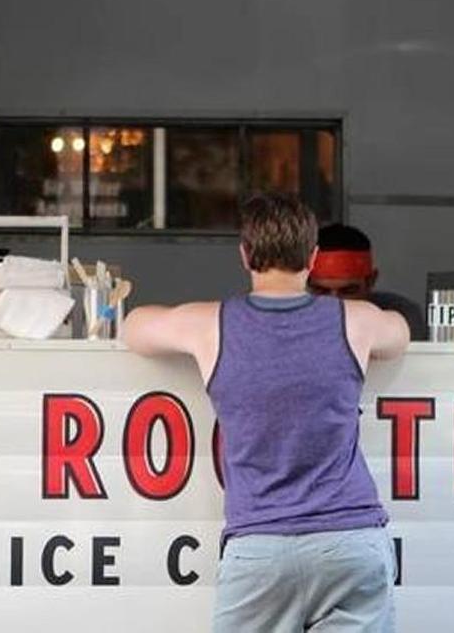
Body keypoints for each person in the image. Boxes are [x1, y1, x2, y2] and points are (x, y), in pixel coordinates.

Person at [123, 193, 408, 632]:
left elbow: (135, 327)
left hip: (259, 548)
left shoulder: (210, 324)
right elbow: (401, 334)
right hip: (350, 539)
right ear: (312, 258)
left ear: (245, 254)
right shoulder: (357, 320)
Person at [309, 222, 428, 341]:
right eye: (321, 291)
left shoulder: (402, 313)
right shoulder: (294, 317)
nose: (335, 303)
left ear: (371, 281)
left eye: (347, 291)